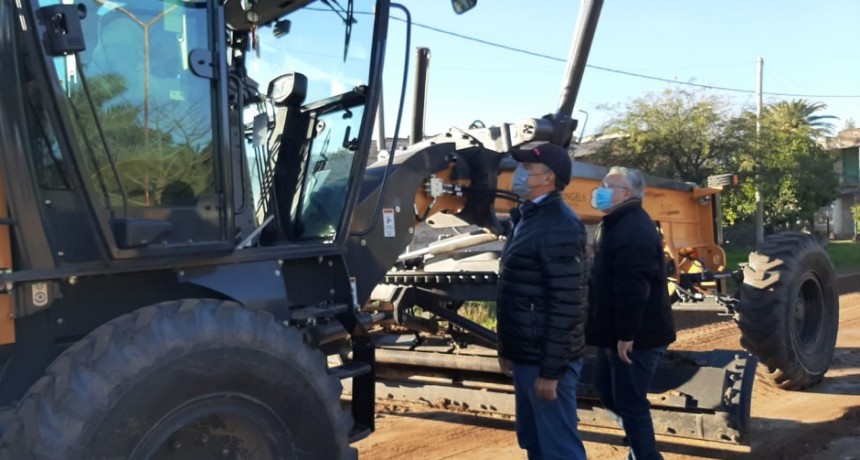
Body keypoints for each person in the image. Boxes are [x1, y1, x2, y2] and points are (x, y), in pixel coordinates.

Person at [497, 143, 587, 460]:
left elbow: (567, 303)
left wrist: (551, 370)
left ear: (548, 177)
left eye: (527, 169)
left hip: (546, 363)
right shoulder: (528, 217)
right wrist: (509, 350)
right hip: (528, 356)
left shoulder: (558, 224)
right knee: (534, 442)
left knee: (559, 449)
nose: (518, 174)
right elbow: (517, 292)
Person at [586, 166, 676, 460]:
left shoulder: (634, 229)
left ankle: (644, 455)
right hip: (615, 333)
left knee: (631, 403)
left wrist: (626, 335)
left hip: (636, 337)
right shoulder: (614, 224)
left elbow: (633, 290)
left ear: (625, 193)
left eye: (606, 185)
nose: (599, 190)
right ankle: (643, 450)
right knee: (606, 390)